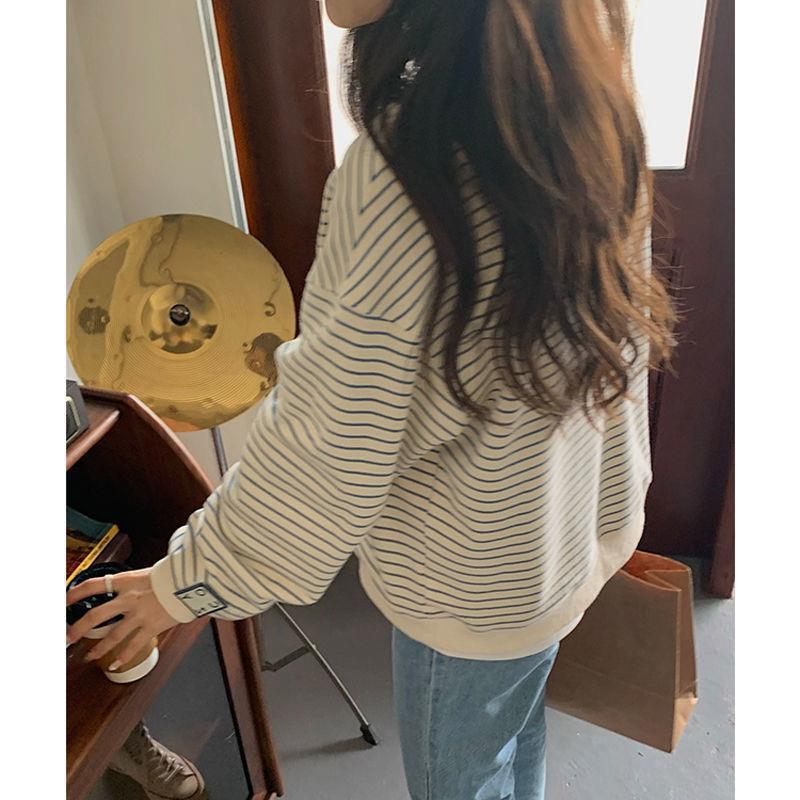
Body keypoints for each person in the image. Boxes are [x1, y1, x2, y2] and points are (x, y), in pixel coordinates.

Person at [66, 1, 677, 798]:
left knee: (462, 779)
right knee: (511, 739)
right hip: (560, 543)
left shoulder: (410, 173)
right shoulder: (585, 96)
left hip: (472, 591)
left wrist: (181, 581)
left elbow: (329, 453)